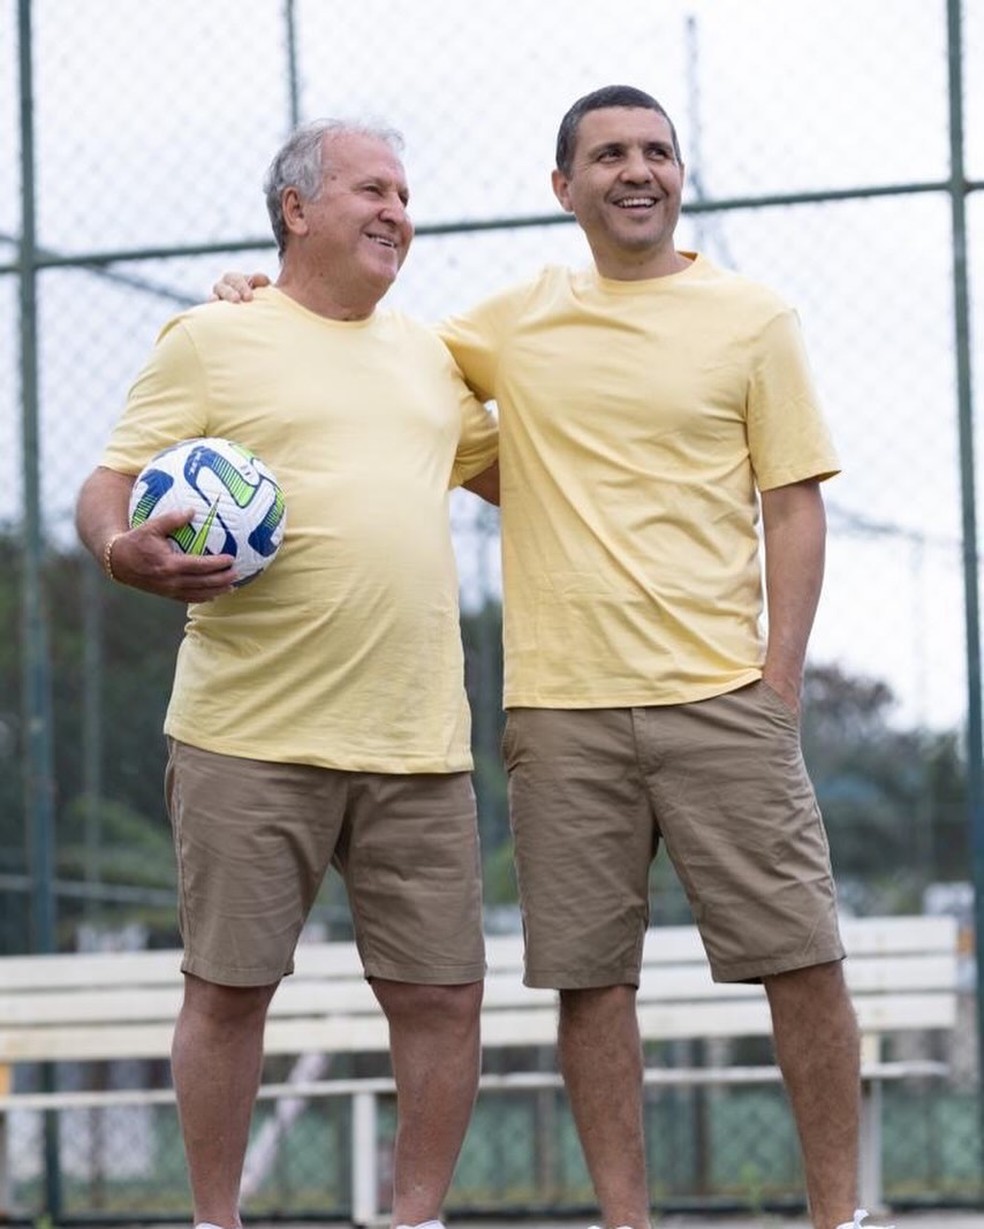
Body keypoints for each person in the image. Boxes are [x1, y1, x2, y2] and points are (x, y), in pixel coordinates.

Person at [212, 87, 890, 1229]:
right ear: (563, 186)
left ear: (680, 176)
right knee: (591, 980)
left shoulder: (754, 317)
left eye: (659, 153)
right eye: (610, 154)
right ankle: (628, 1221)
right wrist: (253, 295)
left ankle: (841, 1216)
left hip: (723, 697)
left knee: (802, 959)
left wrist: (778, 681)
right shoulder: (506, 325)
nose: (639, 171)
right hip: (562, 713)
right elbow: (375, 354)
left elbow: (794, 504)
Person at [76, 118, 498, 1229]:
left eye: (405, 192)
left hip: (417, 737)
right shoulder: (214, 338)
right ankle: (218, 1220)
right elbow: (107, 489)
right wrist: (123, 549)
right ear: (296, 210)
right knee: (227, 992)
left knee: (446, 994)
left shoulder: (430, 357)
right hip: (246, 734)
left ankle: (418, 1218)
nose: (397, 209)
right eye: (371, 188)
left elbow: (528, 470)